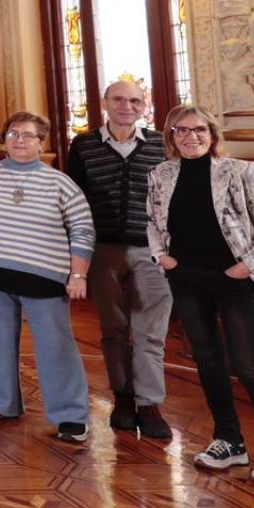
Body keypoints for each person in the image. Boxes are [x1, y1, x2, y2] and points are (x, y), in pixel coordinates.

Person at [148, 105, 254, 487]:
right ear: (171, 137)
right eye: (181, 130)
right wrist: (161, 256)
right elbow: (152, 222)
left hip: (236, 280)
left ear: (213, 134)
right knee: (208, 360)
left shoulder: (242, 171)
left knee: (250, 367)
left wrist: (248, 265)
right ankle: (229, 440)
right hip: (187, 279)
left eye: (199, 129)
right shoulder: (160, 174)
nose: (191, 137)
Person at [0, 112, 95, 443]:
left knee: (55, 346)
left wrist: (78, 274)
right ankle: (2, 402)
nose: (19, 140)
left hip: (44, 277)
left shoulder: (60, 183)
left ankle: (71, 415)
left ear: (41, 143)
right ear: (4, 140)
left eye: (28, 135)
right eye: (13, 134)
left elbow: (83, 229)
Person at [66, 80, 172, 439]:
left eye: (135, 101)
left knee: (151, 332)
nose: (127, 106)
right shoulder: (83, 145)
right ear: (105, 103)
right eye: (119, 99)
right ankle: (123, 398)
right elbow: (75, 198)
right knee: (113, 330)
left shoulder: (161, 144)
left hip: (152, 250)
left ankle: (150, 403)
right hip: (103, 249)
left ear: (145, 106)